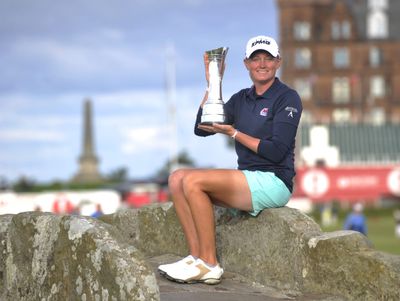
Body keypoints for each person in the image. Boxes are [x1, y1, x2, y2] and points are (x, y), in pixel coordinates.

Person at [158, 35, 302, 285]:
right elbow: (202, 127)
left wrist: (234, 133)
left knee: (192, 181)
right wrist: (213, 82)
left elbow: (276, 150)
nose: (262, 64)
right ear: (246, 64)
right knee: (177, 178)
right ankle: (196, 257)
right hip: (246, 179)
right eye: (256, 58)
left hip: (274, 180)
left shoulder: (287, 97)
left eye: (268, 58)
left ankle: (210, 264)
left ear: (278, 62)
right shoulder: (241, 98)